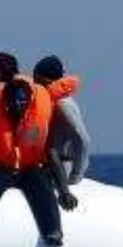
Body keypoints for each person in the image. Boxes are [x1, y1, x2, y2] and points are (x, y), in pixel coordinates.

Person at [0, 78, 78, 245]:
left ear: (29, 100)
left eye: (22, 100)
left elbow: (51, 153)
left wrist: (64, 191)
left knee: (43, 188)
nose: (18, 104)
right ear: (6, 101)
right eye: (14, 100)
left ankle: (53, 231)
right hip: (3, 168)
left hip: (29, 168)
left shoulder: (39, 118)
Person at [33, 54, 93, 184]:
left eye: (36, 78)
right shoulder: (46, 101)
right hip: (46, 166)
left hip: (61, 168)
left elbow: (83, 140)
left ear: (45, 79)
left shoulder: (63, 104)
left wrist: (76, 175)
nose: (34, 82)